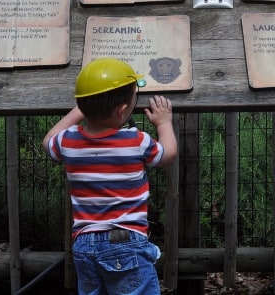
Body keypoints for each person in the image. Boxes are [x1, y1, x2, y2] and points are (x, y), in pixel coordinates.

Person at [42, 57, 177, 295]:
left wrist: (78, 111)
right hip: (124, 241)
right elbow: (167, 154)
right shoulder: (136, 141)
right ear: (122, 110)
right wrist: (164, 123)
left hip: (84, 244)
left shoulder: (69, 141)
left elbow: (47, 142)